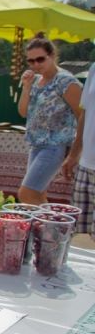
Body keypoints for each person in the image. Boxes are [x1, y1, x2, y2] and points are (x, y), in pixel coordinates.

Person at [17, 34, 82, 205]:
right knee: (37, 195)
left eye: (40, 59)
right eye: (31, 61)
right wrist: (26, 87)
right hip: (36, 145)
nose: (36, 65)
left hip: (55, 146)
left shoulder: (65, 81)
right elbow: (23, 112)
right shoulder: (36, 80)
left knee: (26, 194)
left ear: (52, 56)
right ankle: (51, 231)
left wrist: (75, 152)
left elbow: (83, 115)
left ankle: (50, 230)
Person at [62, 62, 94, 241]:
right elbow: (85, 113)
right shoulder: (94, 69)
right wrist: (74, 154)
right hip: (86, 166)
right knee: (80, 235)